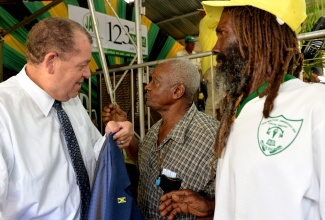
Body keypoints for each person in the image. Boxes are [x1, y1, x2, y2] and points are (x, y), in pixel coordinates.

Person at [159, 0, 325, 219]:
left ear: (255, 36)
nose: (215, 48)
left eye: (222, 34)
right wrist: (211, 207)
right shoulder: (238, 113)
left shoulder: (314, 104)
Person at [0, 17, 133, 219]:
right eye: (82, 65)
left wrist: (112, 138)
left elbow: (90, 156)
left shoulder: (70, 99)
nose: (88, 74)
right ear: (51, 62)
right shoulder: (4, 112)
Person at [102, 58, 219, 219]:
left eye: (154, 81)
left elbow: (234, 198)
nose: (147, 86)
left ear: (177, 91)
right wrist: (124, 130)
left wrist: (209, 205)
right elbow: (145, 163)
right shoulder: (155, 130)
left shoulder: (212, 137)